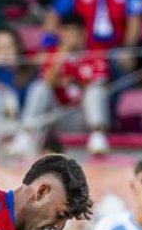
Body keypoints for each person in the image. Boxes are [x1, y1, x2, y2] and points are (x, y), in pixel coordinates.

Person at [20, 14, 110, 154]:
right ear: (61, 33)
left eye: (74, 31)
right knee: (39, 87)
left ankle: (97, 135)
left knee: (96, 90)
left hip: (83, 115)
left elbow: (101, 85)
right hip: (57, 116)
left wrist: (75, 82)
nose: (70, 36)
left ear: (83, 34)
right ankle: (25, 136)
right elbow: (47, 81)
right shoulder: (53, 53)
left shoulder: (95, 53)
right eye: (66, 31)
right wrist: (62, 53)